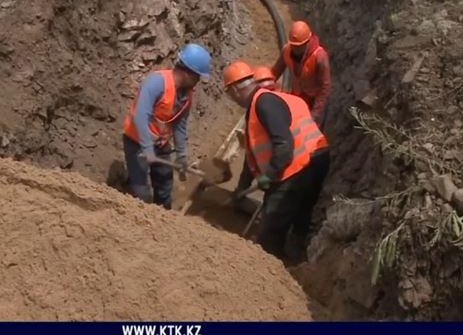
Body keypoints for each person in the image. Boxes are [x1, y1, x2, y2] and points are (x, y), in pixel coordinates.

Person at [224, 60, 330, 261]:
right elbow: (253, 156)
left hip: (296, 166)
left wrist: (270, 176)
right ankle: (296, 255)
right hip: (316, 158)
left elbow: (284, 146)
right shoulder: (266, 103)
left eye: (229, 94)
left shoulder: (264, 104)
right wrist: (242, 188)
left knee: (270, 229)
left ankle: (272, 268)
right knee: (300, 214)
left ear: (234, 90)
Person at [122, 43, 211, 210]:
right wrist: (148, 149)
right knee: (141, 191)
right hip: (137, 143)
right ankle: (139, 216)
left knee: (164, 185)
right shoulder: (157, 82)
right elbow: (140, 116)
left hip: (160, 144)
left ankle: (164, 219)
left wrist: (182, 156)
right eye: (197, 77)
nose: (198, 81)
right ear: (187, 73)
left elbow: (180, 126)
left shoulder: (186, 94)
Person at [271, 20, 331, 125]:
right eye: (293, 46)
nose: (295, 49)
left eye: (299, 46)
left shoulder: (319, 56)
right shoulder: (287, 51)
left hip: (314, 102)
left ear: (308, 42)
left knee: (310, 135)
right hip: (297, 97)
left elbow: (325, 88)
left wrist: (314, 115)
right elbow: (274, 73)